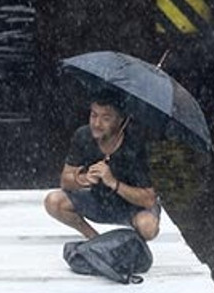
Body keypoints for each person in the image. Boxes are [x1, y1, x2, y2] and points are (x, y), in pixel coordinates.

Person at [43, 94, 160, 241]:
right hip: (99, 200)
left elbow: (148, 199)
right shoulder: (83, 136)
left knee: (148, 227)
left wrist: (113, 182)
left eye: (106, 118)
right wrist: (83, 179)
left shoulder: (135, 145)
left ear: (120, 121)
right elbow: (65, 181)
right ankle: (93, 239)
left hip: (132, 205)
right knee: (53, 201)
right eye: (93, 115)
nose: (97, 124)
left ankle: (129, 246)